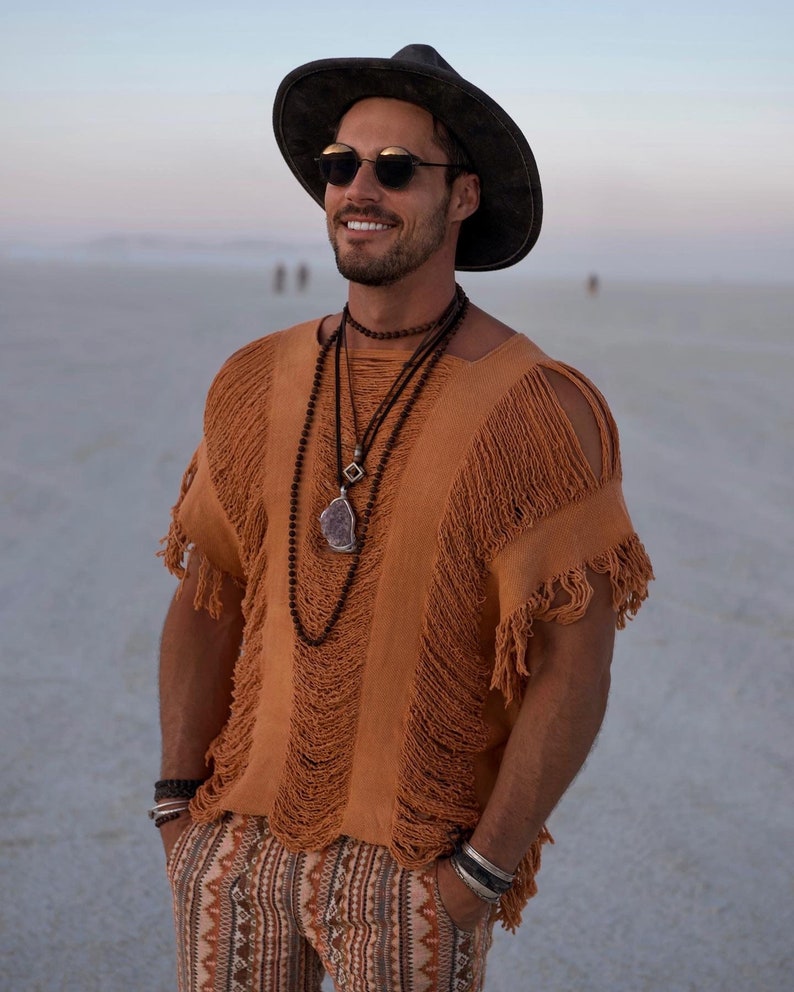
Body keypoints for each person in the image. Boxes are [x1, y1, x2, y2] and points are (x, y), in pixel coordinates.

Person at [154, 45, 653, 992]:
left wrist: (479, 876)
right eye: (341, 165)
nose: (359, 189)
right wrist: (179, 809)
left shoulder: (536, 409)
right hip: (233, 858)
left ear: (463, 196)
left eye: (395, 169)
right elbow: (209, 590)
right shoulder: (255, 381)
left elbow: (574, 662)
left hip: (413, 873)